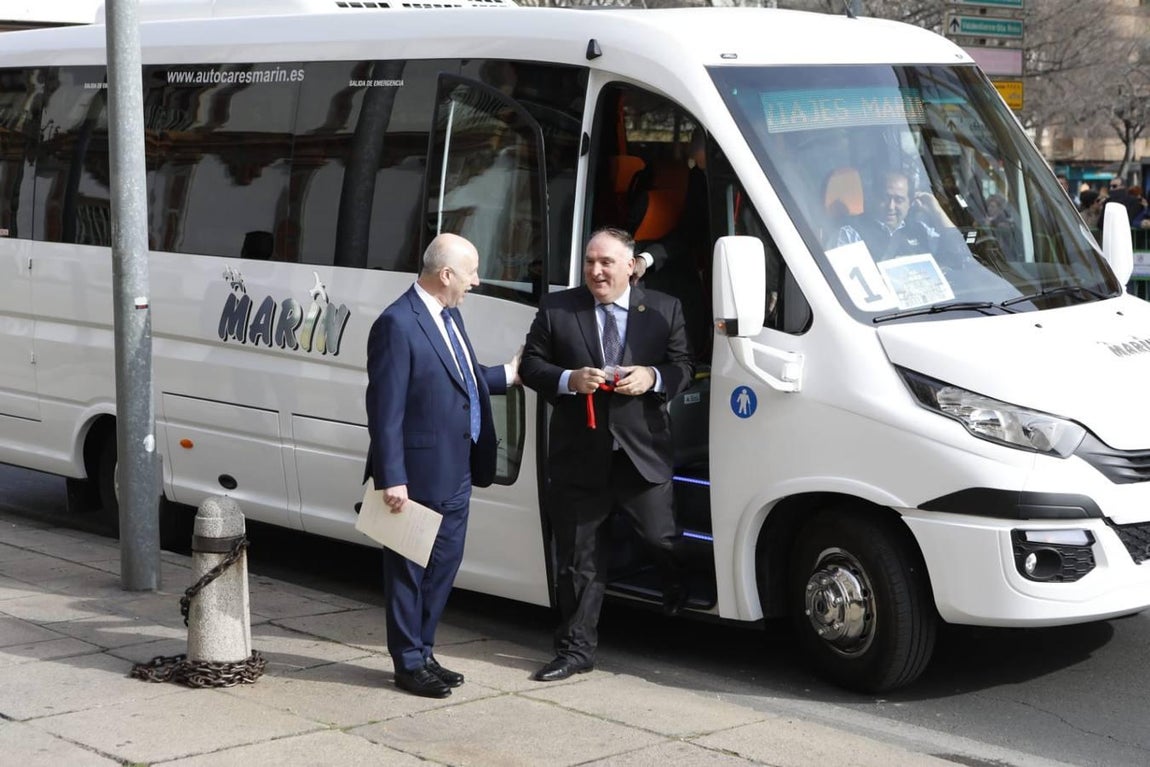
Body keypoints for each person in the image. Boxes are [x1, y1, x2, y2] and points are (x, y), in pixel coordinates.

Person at [520, 227, 694, 682]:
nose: (596, 271)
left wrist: (653, 378)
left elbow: (684, 367)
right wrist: (568, 380)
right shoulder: (559, 309)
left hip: (641, 451)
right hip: (581, 454)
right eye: (590, 262)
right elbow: (533, 365)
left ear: (630, 266)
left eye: (606, 263)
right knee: (579, 559)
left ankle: (676, 583)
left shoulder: (662, 309)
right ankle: (576, 651)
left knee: (661, 539)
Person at [364, 232, 518, 699]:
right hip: (416, 474)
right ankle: (407, 662)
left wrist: (509, 373)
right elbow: (384, 409)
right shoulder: (397, 323)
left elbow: (462, 378)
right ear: (446, 274)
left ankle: (425, 652)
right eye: (470, 272)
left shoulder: (449, 316)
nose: (476, 281)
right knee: (410, 572)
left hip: (458, 469)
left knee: (442, 568)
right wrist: (393, 477)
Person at [834, 169, 967, 267]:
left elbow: (959, 254)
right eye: (885, 198)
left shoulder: (920, 229)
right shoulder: (852, 233)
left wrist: (936, 211)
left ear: (910, 202)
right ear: (874, 197)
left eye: (899, 200)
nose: (891, 206)